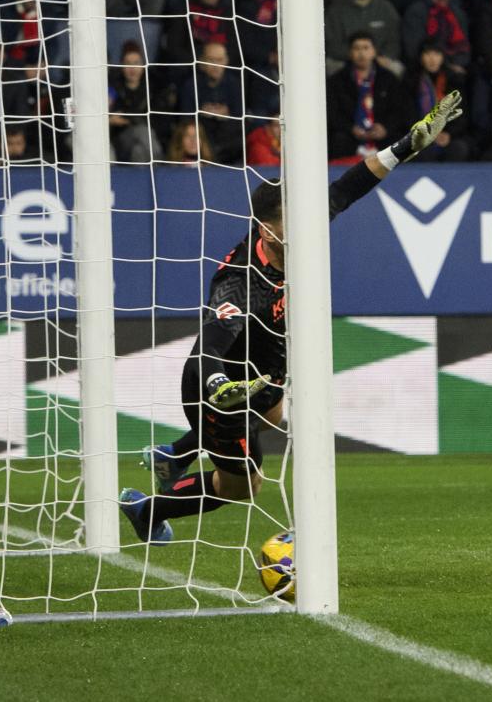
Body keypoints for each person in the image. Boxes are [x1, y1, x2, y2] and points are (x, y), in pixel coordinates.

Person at [120, 97, 466, 541]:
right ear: (268, 231)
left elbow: (351, 186)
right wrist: (217, 389)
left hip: (261, 377)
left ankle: (174, 457)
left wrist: (406, 146)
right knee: (244, 486)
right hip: (221, 394)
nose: (308, 225)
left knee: (275, 412)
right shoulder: (240, 285)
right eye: (294, 221)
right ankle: (148, 509)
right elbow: (206, 350)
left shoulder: (292, 230)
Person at [327, 32, 413, 159]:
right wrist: (351, 128)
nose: (361, 53)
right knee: (337, 140)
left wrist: (385, 128)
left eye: (366, 48)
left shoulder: (389, 79)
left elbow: (400, 111)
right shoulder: (337, 81)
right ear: (350, 53)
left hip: (382, 136)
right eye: (357, 48)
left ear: (374, 52)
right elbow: (332, 113)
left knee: (403, 142)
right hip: (350, 137)